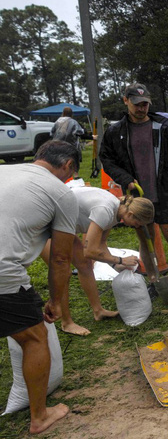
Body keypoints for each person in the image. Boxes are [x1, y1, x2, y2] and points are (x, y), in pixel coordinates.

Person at [0, 140, 79, 434]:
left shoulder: (5, 171)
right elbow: (60, 257)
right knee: (34, 337)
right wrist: (56, 302)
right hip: (2, 271)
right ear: (68, 165)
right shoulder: (61, 193)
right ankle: (39, 416)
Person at [99, 82, 168, 301]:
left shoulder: (162, 126)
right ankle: (153, 281)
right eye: (136, 104)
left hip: (164, 191)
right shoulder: (116, 131)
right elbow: (106, 160)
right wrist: (126, 179)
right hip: (137, 196)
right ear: (126, 101)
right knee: (145, 239)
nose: (141, 108)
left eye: (145, 104)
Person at [39, 188, 155, 335]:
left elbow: (101, 244)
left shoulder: (117, 209)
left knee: (85, 265)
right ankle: (66, 322)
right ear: (130, 214)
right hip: (44, 224)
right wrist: (120, 259)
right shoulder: (105, 210)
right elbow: (90, 251)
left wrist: (115, 264)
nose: (136, 227)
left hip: (63, 226)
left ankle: (98, 311)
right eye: (137, 223)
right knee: (63, 271)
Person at [51, 106, 92, 174]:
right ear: (71, 113)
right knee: (73, 162)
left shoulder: (57, 121)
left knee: (60, 162)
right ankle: (75, 175)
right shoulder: (73, 122)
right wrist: (91, 137)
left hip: (58, 146)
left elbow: (52, 133)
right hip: (71, 146)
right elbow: (80, 133)